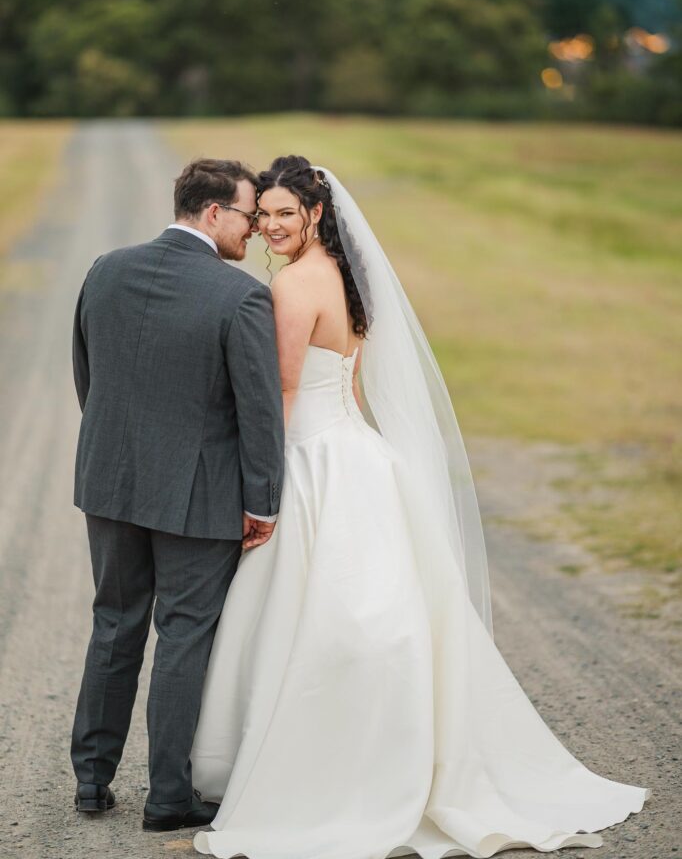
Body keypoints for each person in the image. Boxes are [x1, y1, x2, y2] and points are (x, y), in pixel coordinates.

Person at [191, 155, 650, 859]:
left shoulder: (292, 288)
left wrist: (264, 488)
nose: (271, 225)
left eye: (286, 212)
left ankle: (326, 765)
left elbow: (281, 392)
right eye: (265, 214)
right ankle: (395, 749)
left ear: (316, 214)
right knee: (379, 612)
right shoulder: (348, 279)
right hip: (357, 452)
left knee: (311, 616)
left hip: (312, 460)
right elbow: (347, 382)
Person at [70, 158, 285, 832]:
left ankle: (91, 781)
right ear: (214, 212)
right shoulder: (240, 296)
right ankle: (168, 798)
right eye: (250, 216)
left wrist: (116, 454)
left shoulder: (106, 268)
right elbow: (259, 412)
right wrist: (264, 502)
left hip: (110, 482)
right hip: (200, 498)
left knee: (115, 622)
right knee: (184, 637)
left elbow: (88, 377)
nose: (254, 231)